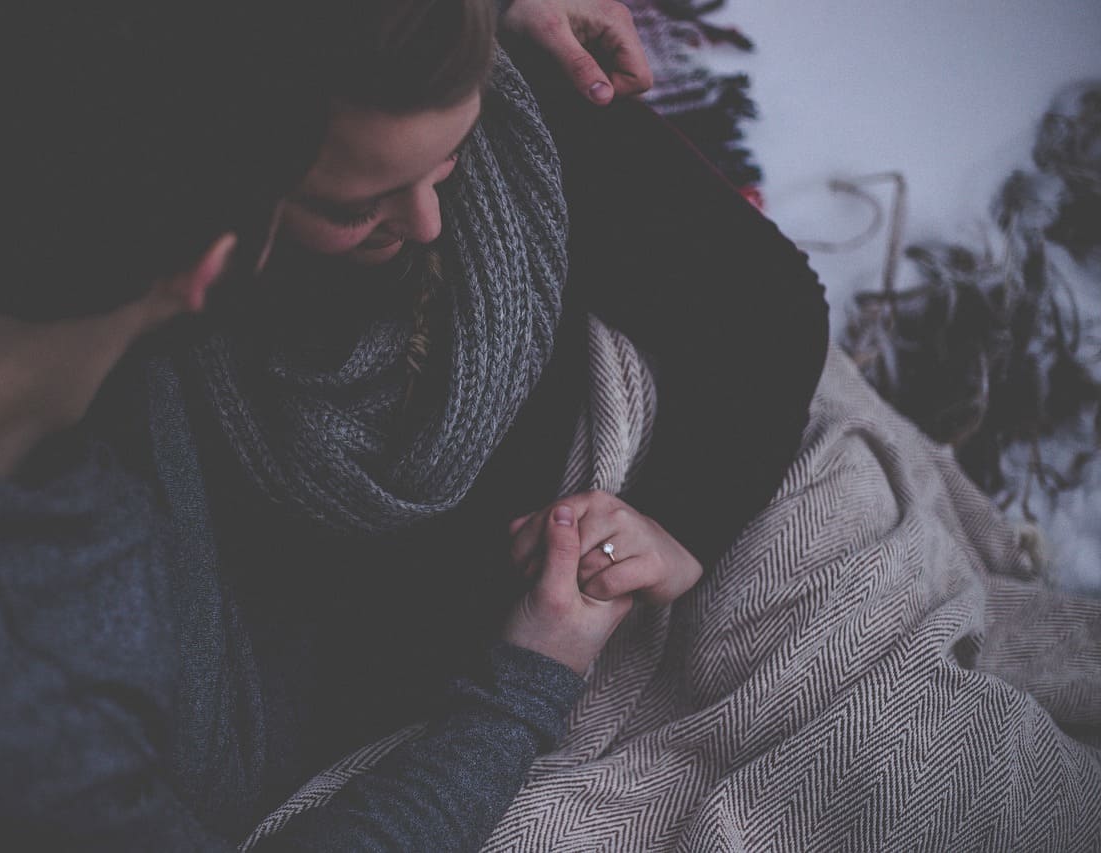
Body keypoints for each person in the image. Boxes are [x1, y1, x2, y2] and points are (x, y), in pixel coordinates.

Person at [144, 2, 1100, 851]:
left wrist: (677, 522)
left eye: (446, 161)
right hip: (481, 680)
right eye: (357, 207)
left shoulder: (513, 110)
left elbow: (767, 304)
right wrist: (526, 665)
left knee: (921, 751)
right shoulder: (173, 359)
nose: (429, 222)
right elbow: (286, 669)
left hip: (679, 485)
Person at [0, 0, 666, 849]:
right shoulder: (33, 700)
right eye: (347, 204)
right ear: (213, 267)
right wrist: (522, 691)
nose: (425, 224)